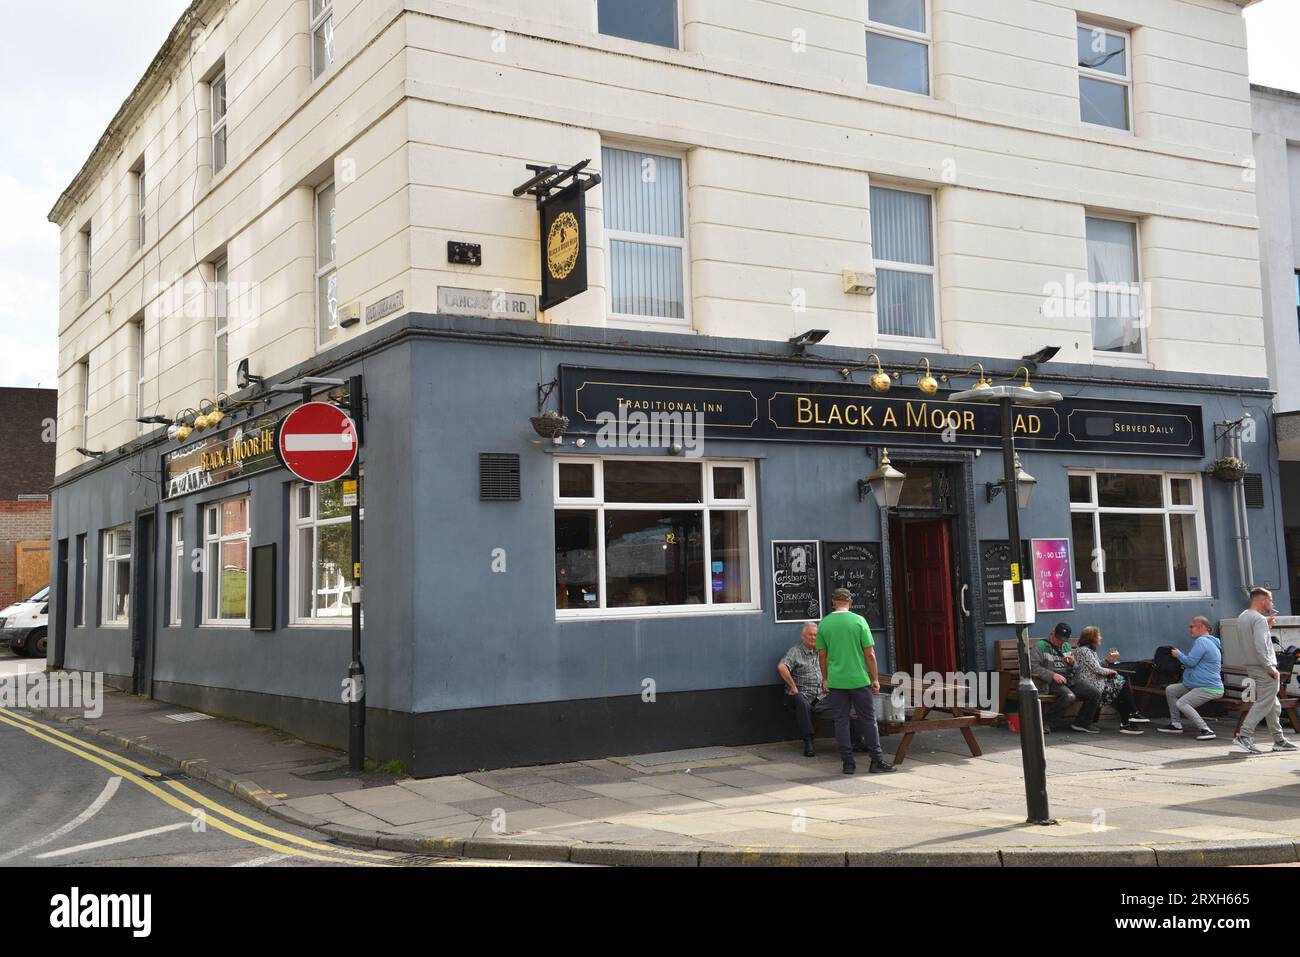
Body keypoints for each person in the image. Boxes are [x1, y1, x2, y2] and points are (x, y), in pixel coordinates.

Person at [815, 588, 895, 775]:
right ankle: (876, 760)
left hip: (836, 681)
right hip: (859, 679)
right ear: (850, 603)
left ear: (833, 602)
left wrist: (825, 678)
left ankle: (848, 763)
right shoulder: (859, 621)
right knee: (868, 720)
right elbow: (870, 654)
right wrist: (874, 679)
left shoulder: (824, 624)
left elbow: (822, 655)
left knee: (841, 721)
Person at [778, 622, 873, 757]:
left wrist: (829, 682)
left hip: (821, 696)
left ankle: (857, 741)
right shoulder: (795, 651)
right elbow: (782, 667)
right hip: (801, 694)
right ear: (802, 636)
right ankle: (808, 742)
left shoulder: (823, 652)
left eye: (816, 635)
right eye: (810, 635)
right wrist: (793, 687)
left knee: (845, 702)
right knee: (802, 702)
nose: (813, 638)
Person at [1235, 587, 1299, 755]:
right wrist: (1270, 668)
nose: (1272, 603)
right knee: (1265, 702)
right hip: (1264, 667)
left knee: (1272, 704)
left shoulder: (1243, 616)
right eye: (1270, 600)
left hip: (1252, 665)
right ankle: (1244, 735)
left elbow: (1252, 641)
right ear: (1262, 600)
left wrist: (1266, 625)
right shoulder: (1259, 619)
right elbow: (1261, 646)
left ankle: (1279, 740)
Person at [1071, 626, 1149, 734]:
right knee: (1121, 685)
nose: (1101, 638)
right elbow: (1097, 669)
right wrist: (1110, 671)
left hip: (1095, 680)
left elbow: (1097, 665)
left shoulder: (1090, 651)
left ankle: (1129, 719)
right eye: (1098, 635)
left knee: (1121, 685)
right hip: (1090, 683)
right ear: (1091, 637)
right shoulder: (1084, 651)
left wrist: (1108, 660)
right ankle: (1130, 718)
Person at [1158, 616, 1223, 741]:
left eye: (1192, 626)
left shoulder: (1202, 641)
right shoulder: (1211, 642)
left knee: (1182, 703)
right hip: (1197, 684)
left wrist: (1178, 654)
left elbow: (1190, 662)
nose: (1190, 629)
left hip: (1209, 687)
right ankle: (1176, 724)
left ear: (1202, 627)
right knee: (1171, 690)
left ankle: (1206, 729)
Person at [1028, 622, 1099, 733]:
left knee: (1094, 692)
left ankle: (1081, 723)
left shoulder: (1066, 646)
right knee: (1069, 696)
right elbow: (1033, 667)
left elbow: (1076, 669)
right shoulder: (1040, 646)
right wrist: (1052, 675)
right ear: (1053, 633)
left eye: (1063, 640)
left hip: (1068, 679)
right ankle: (1047, 723)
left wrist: (1073, 663)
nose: (1061, 642)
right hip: (1049, 682)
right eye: (1058, 639)